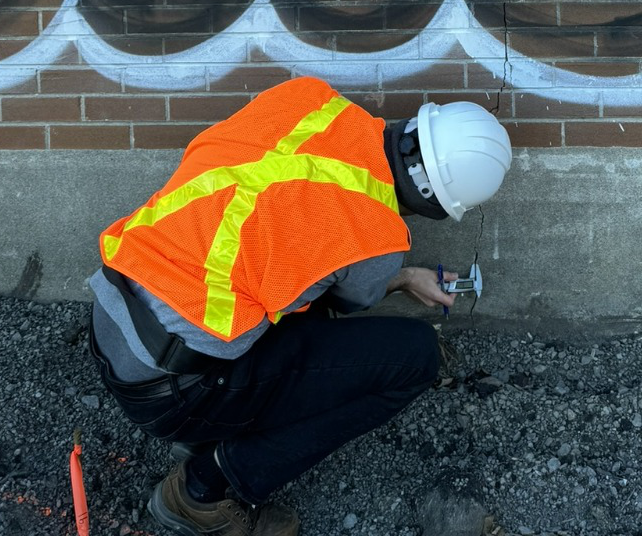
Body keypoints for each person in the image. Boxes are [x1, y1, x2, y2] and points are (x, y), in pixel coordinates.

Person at [86, 76, 512, 536]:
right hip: (171, 386)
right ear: (432, 204)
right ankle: (201, 491)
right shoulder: (376, 236)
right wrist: (403, 276)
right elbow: (351, 300)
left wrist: (402, 276)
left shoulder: (307, 98)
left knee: (300, 302)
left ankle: (208, 432)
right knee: (414, 358)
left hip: (114, 308)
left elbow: (282, 225)